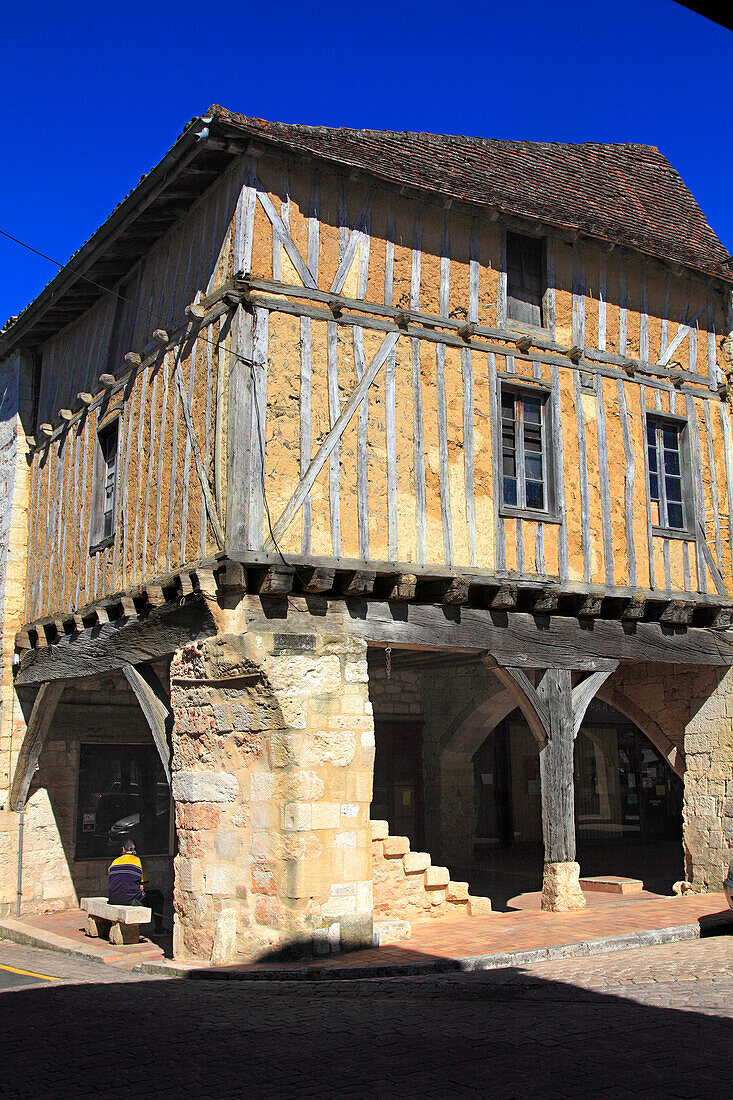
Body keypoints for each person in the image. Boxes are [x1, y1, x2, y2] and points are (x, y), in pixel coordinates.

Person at [107, 839, 164, 934]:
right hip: (129, 900)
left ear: (123, 849)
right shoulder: (139, 862)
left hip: (113, 899)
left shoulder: (115, 862)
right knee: (158, 896)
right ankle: (158, 929)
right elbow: (143, 886)